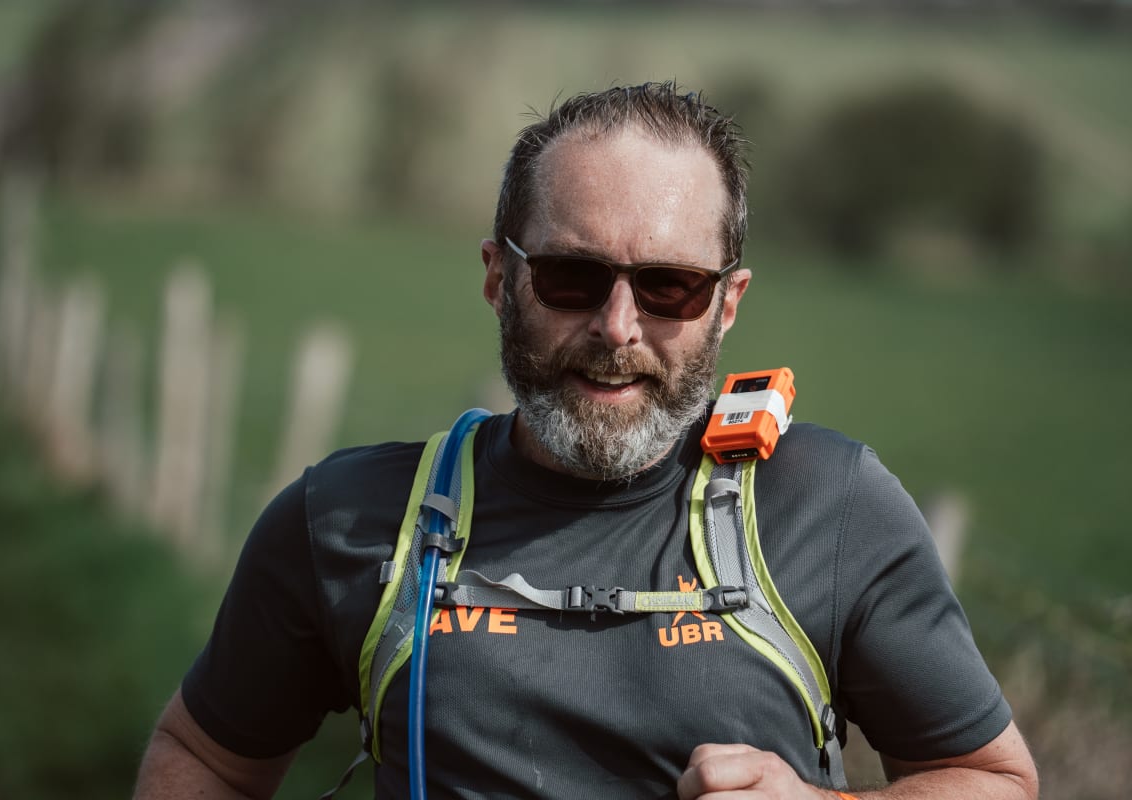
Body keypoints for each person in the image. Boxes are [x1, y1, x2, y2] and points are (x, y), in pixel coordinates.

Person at [133, 82, 1038, 800]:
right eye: (572, 275)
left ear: (727, 303)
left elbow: (995, 779)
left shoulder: (829, 509)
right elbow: (204, 756)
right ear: (500, 277)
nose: (617, 327)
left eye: (670, 286)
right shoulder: (347, 522)